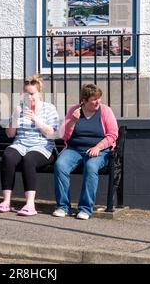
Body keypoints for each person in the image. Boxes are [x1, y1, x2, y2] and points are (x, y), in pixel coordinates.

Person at [0, 76, 59, 216]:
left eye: (32, 93)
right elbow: (10, 135)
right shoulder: (20, 109)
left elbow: (53, 134)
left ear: (39, 94)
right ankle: (6, 201)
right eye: (26, 93)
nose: (29, 97)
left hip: (42, 146)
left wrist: (36, 119)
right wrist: (15, 117)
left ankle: (30, 204)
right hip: (20, 144)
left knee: (29, 159)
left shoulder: (49, 108)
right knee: (8, 156)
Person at [53, 84, 118, 220]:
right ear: (84, 100)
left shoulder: (105, 111)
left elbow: (112, 135)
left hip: (99, 150)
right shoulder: (74, 111)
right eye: (94, 99)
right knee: (60, 165)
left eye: (99, 98)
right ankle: (63, 207)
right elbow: (64, 136)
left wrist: (98, 147)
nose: (98, 102)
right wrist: (72, 122)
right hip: (74, 149)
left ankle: (85, 209)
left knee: (91, 166)